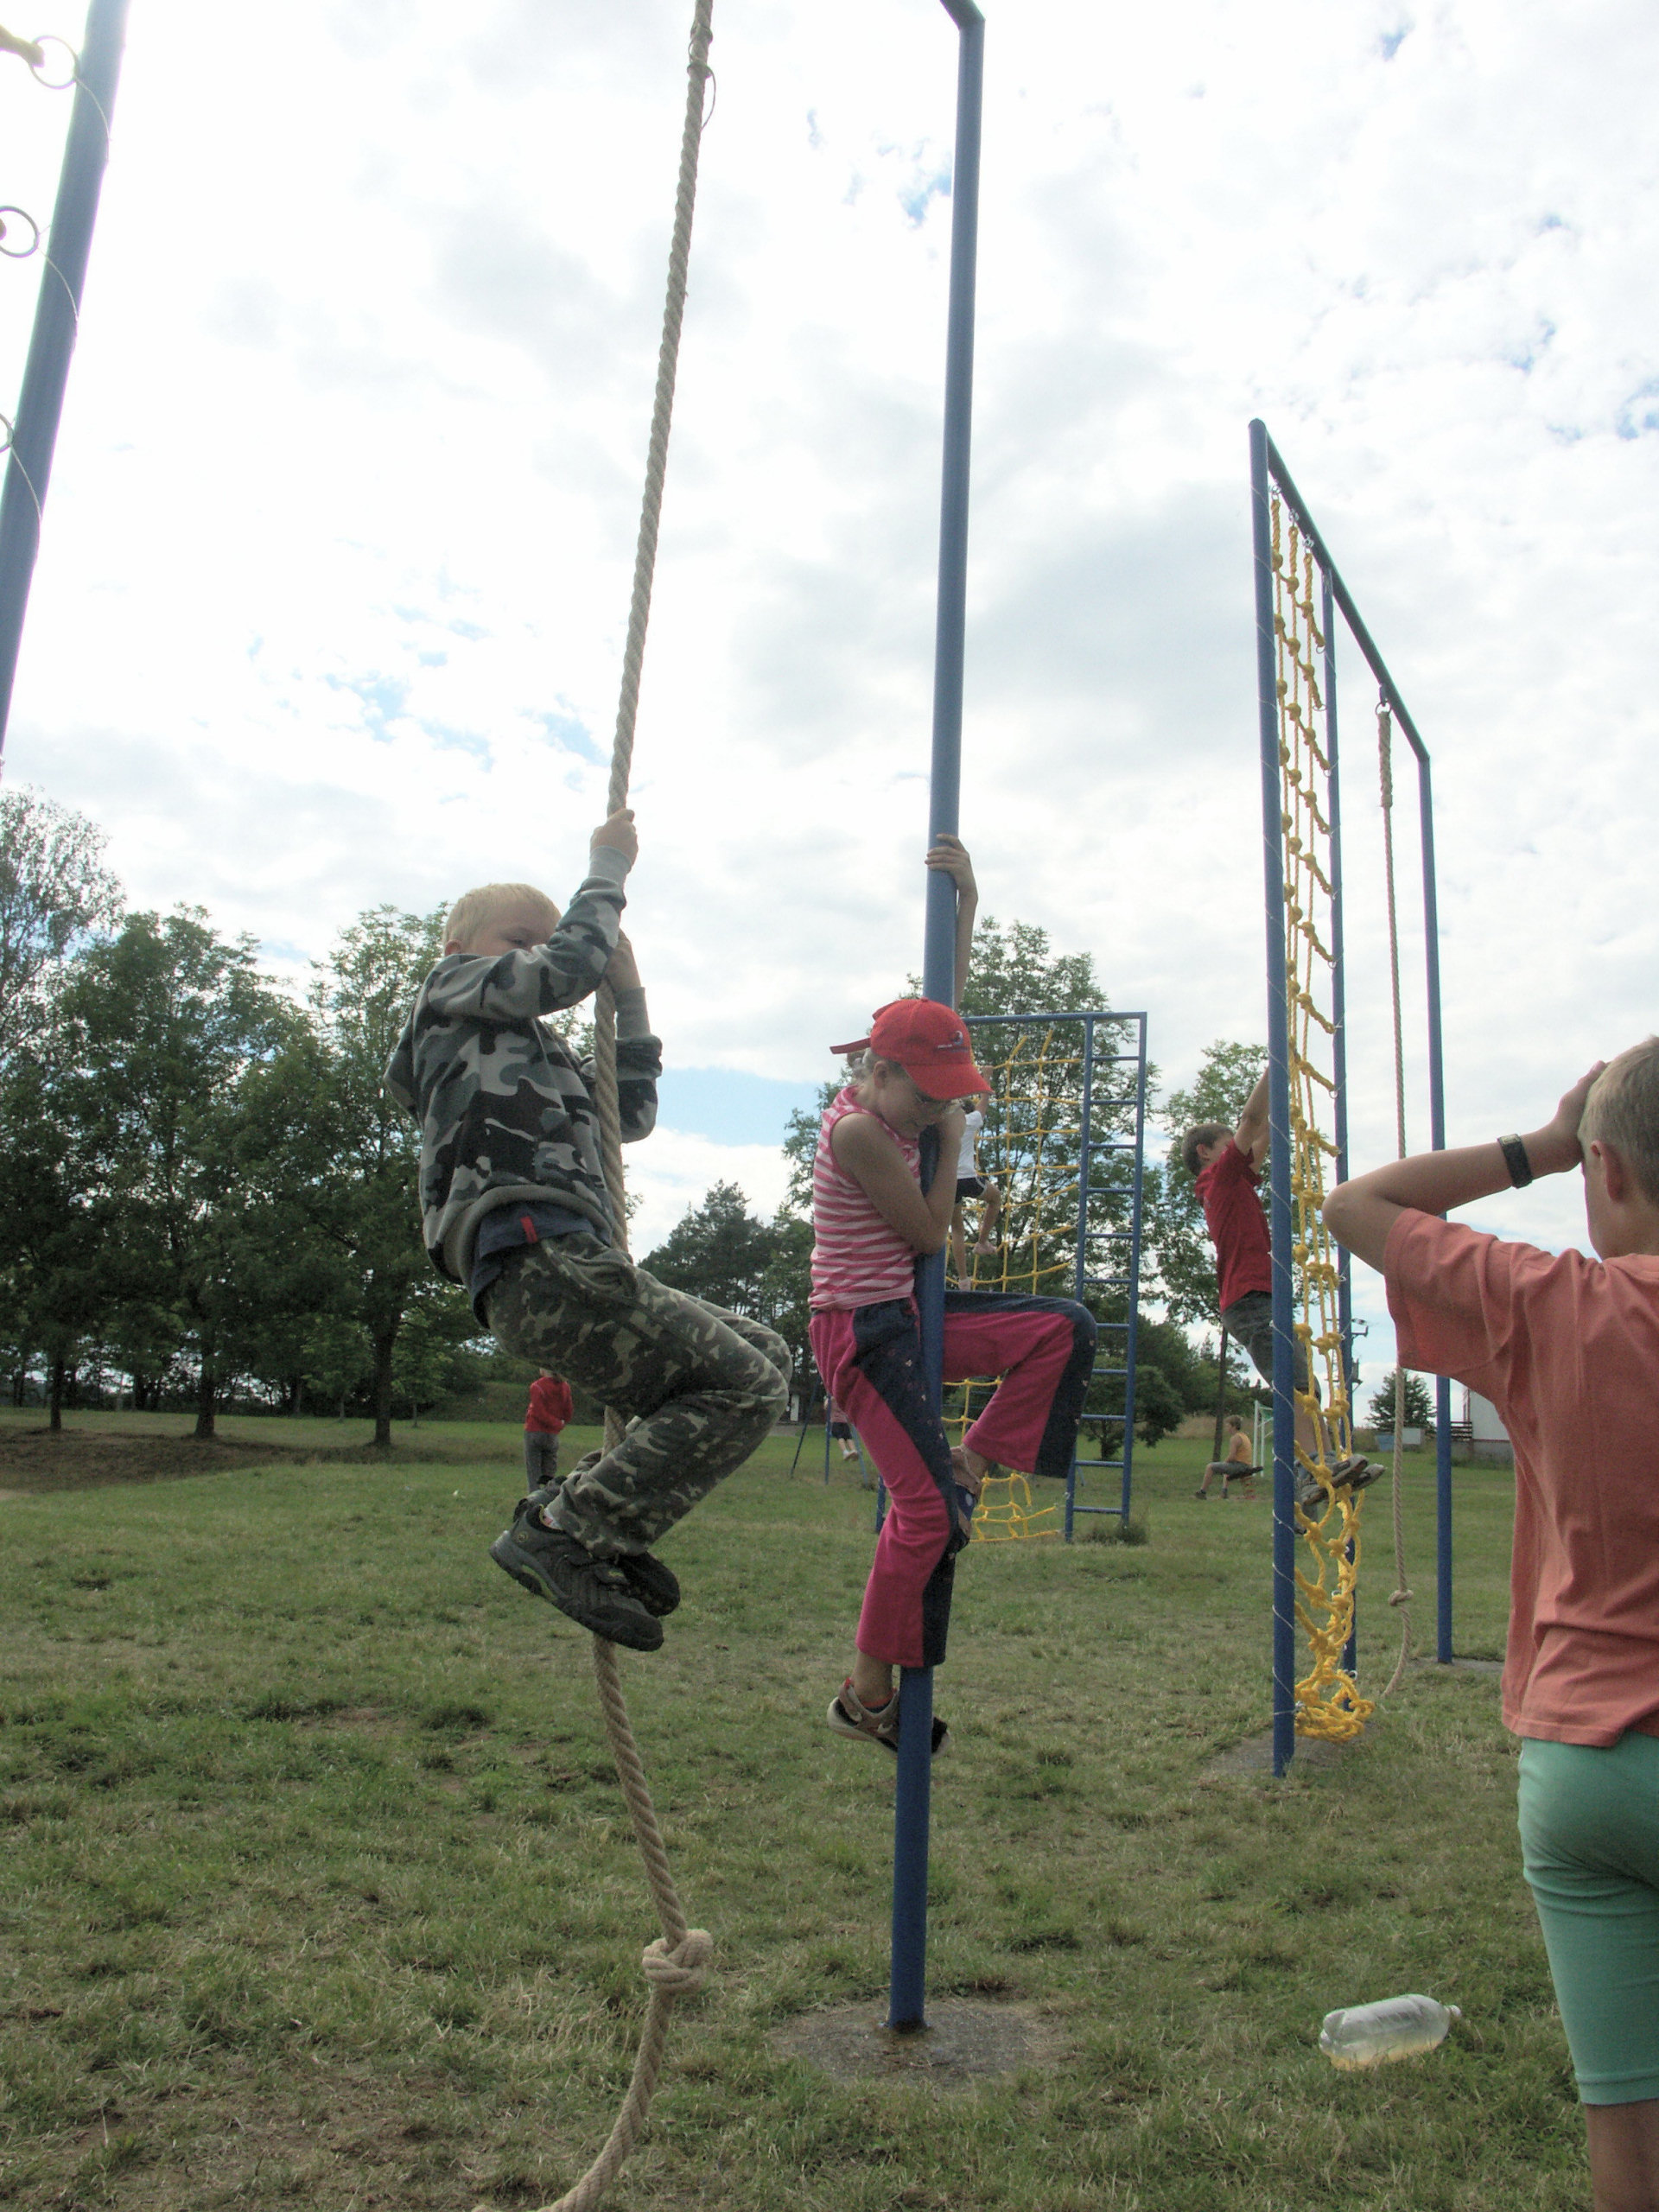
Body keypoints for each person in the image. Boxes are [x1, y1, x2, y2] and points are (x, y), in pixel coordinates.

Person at [1322, 1041, 1659, 2212]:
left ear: (1608, 1172)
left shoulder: (1552, 1302)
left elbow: (1358, 1206)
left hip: (1584, 1772)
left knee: (1629, 2115)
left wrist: (1544, 1145)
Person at [385, 808, 791, 1654]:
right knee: (745, 1387)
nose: (542, 949)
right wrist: (607, 869)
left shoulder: (542, 1057)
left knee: (765, 1355)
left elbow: (628, 1114)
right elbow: (562, 969)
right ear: (458, 949)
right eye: (518, 938)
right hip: (535, 1252)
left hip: (568, 1259)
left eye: (545, 938)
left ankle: (584, 1514)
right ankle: (567, 1530)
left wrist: (630, 997)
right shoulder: (447, 994)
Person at [810, 845, 1097, 1757]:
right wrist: (952, 1144)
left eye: (946, 1096)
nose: (937, 1107)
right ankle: (865, 1695)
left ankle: (974, 1461)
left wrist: (968, 903)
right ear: (880, 1073)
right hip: (861, 1333)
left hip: (909, 1313)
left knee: (1061, 1331)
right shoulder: (860, 1131)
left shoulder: (909, 1085)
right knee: (926, 1515)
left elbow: (943, 1016)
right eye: (927, 1098)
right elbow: (931, 1235)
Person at [1182, 1066, 1374, 1513]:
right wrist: (1276, 1064)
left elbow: (1261, 1133)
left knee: (1306, 1386)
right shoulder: (1218, 1179)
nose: (1239, 1148)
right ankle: (1314, 1471)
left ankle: (1322, 1468)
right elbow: (1251, 1122)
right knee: (1295, 1383)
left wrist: (1286, 1102)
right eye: (1229, 1144)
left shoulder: (1232, 1180)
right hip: (1248, 1300)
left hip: (1258, 1297)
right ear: (1207, 1152)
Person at [948, 1103, 1002, 1286]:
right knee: (995, 1198)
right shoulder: (970, 1120)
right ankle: (982, 1242)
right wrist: (986, 1085)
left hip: (948, 1181)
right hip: (966, 1178)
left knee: (957, 1229)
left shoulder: (945, 1123)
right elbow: (983, 1104)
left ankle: (963, 1279)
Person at [524, 1368, 573, 1490]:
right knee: (550, 1472)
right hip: (552, 1434)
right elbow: (568, 1412)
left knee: (534, 1471)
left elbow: (538, 1412)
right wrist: (559, 1424)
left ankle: (534, 1496)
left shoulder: (537, 1386)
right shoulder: (565, 1386)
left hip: (534, 1431)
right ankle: (549, 1495)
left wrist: (553, 1423)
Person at [1196, 1413, 1257, 1500]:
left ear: (1234, 1426)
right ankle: (1224, 1491)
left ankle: (1203, 1492)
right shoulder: (1244, 1436)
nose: (1226, 1428)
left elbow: (1232, 1457)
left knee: (1210, 1467)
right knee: (1227, 1467)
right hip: (1247, 1465)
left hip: (1240, 1466)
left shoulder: (1235, 1438)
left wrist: (1225, 1462)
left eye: (1228, 1426)